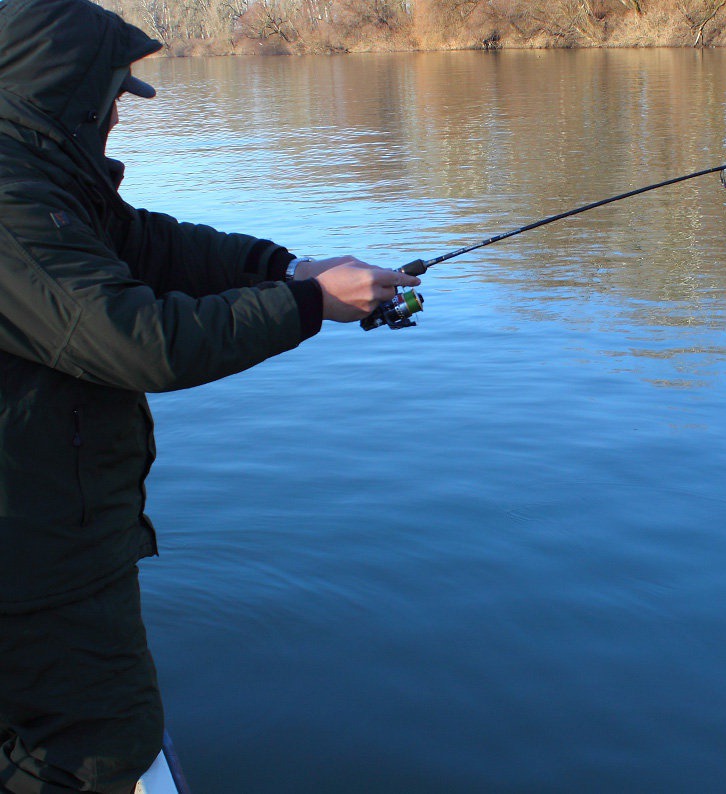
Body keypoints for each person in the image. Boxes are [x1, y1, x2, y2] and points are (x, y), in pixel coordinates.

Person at [0, 1, 421, 791]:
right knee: (97, 746)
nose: (119, 115)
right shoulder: (11, 198)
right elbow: (137, 339)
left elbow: (149, 245)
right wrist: (305, 305)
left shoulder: (38, 173)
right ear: (67, 92)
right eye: (113, 96)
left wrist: (283, 268)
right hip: (33, 553)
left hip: (46, 523)